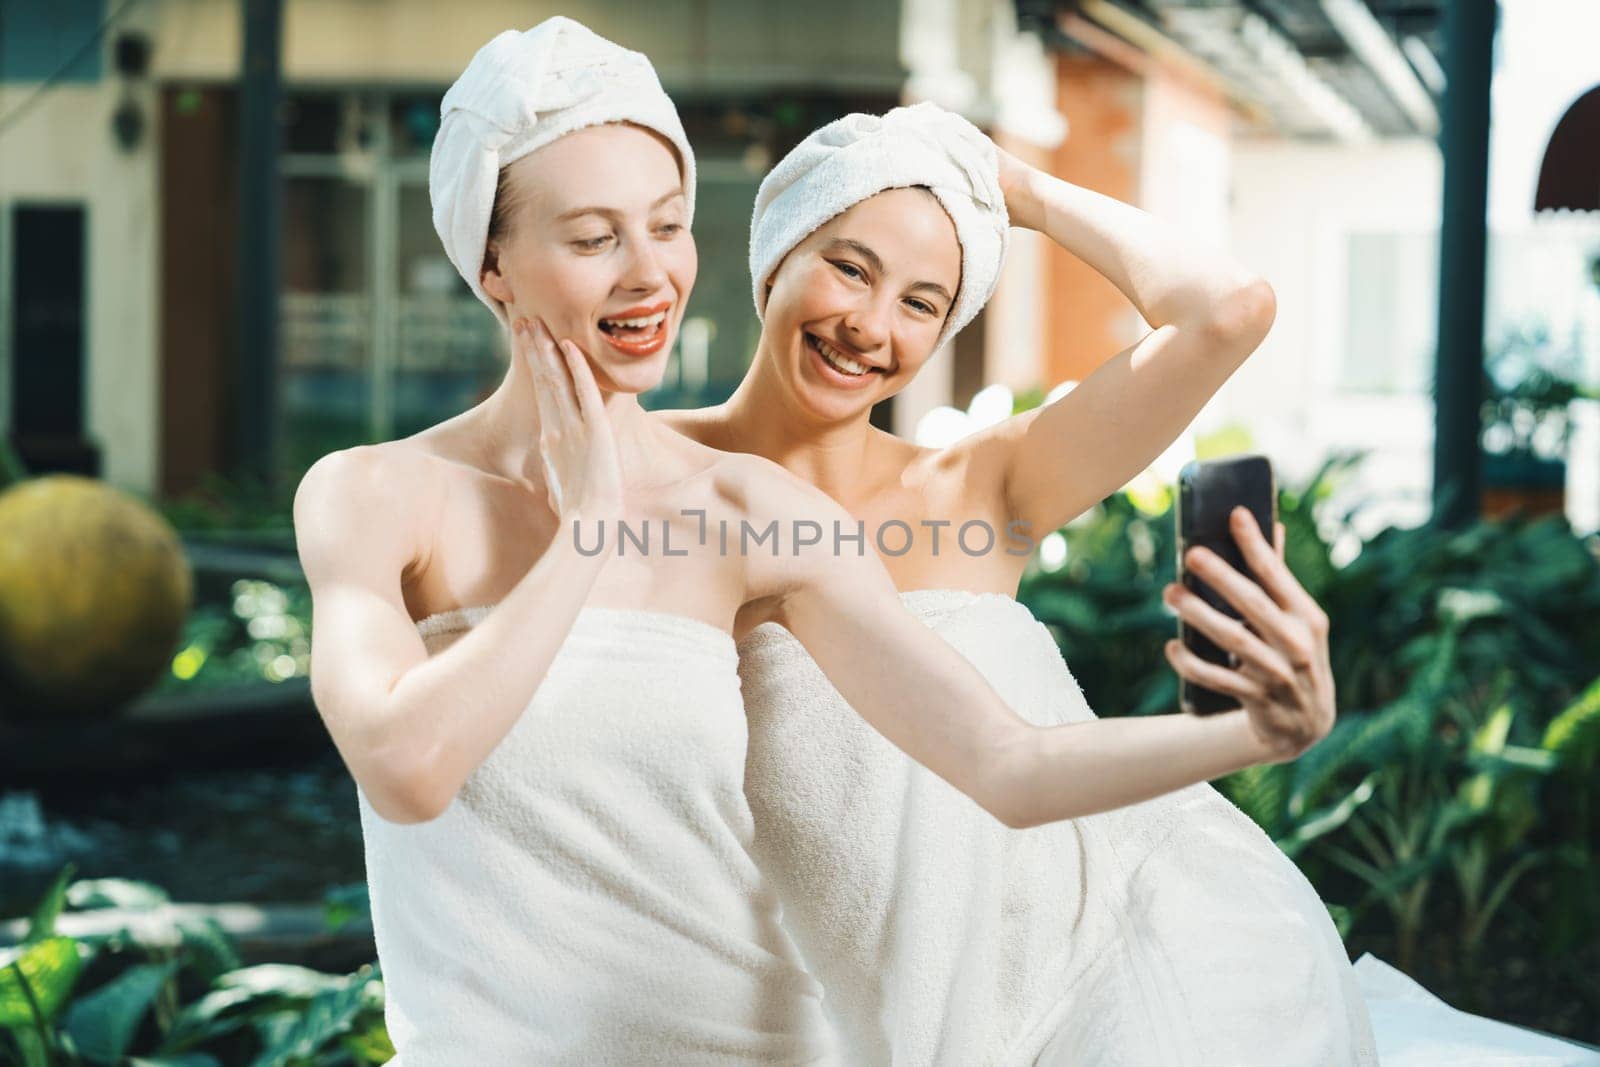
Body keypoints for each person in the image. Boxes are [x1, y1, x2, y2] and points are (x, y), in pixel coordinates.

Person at [293, 24, 1333, 1066]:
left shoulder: (770, 505)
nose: (650, 273)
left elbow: (1006, 759)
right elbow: (407, 766)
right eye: (594, 235)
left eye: (668, 225)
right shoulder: (373, 493)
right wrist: (590, 526)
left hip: (875, 1016)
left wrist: (1255, 731)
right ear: (491, 260)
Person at [658, 103, 1378, 1066]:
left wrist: (1019, 187)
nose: (869, 326)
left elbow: (1229, 310)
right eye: (850, 266)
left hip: (1141, 956)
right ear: (776, 256)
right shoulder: (642, 474)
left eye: (922, 302)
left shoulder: (981, 483)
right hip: (866, 1021)